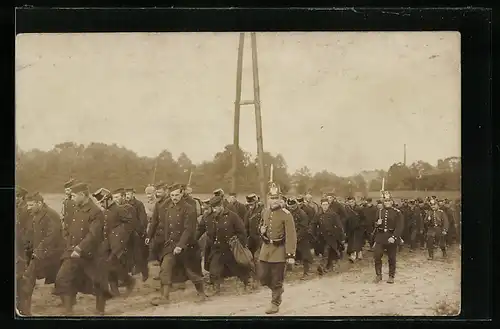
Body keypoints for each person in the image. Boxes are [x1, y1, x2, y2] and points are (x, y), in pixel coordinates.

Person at [53, 183, 112, 315]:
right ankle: (69, 311)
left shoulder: (96, 212)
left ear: (82, 195)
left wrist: (80, 248)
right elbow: (71, 230)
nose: (71, 198)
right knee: (63, 278)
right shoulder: (77, 208)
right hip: (73, 251)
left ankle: (100, 311)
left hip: (92, 253)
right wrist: (69, 245)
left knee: (98, 282)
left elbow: (94, 234)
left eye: (74, 195)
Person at [146, 183, 207, 305]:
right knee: (165, 268)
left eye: (177, 195)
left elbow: (188, 230)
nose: (174, 197)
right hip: (171, 245)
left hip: (186, 246)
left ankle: (201, 293)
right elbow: (166, 227)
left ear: (182, 194)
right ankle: (165, 297)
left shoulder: (189, 208)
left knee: (190, 272)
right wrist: (161, 239)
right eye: (172, 195)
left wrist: (180, 245)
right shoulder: (169, 208)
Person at [18, 192, 65, 315]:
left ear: (39, 203)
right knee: (29, 279)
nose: (28, 208)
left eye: (31, 205)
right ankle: (25, 310)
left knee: (60, 279)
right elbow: (30, 232)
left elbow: (52, 236)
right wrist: (26, 246)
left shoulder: (51, 215)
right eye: (28, 205)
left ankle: (68, 305)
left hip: (52, 253)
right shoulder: (34, 214)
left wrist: (39, 250)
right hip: (39, 252)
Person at [195, 195, 251, 294]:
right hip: (216, 248)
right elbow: (200, 230)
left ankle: (248, 284)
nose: (215, 210)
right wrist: (194, 240)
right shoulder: (208, 217)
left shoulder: (232, 216)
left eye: (217, 207)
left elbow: (241, 231)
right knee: (214, 269)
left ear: (221, 206)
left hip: (230, 248)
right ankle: (216, 288)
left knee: (238, 267)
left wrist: (241, 245)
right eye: (213, 207)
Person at [258, 184, 297, 314]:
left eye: (276, 198)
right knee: (262, 276)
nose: (273, 200)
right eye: (271, 197)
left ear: (280, 198)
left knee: (276, 279)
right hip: (266, 249)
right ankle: (278, 289)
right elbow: (263, 226)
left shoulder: (286, 214)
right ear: (268, 198)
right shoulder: (265, 211)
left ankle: (275, 303)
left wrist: (290, 255)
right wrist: (261, 230)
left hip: (279, 250)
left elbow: (291, 236)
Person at [372, 192, 404, 284]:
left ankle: (391, 276)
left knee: (392, 257)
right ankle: (378, 275)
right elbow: (374, 224)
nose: (387, 202)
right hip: (380, 236)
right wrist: (377, 224)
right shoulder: (379, 211)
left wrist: (394, 237)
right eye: (385, 201)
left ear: (392, 201)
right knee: (377, 255)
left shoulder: (397, 212)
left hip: (391, 236)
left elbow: (400, 226)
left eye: (389, 201)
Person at [315, 198, 345, 274]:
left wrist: (341, 237)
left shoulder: (333, 214)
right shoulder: (318, 214)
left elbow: (339, 226)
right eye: (323, 205)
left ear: (328, 205)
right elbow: (313, 224)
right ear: (321, 205)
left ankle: (322, 266)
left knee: (327, 251)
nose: (325, 206)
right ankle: (329, 266)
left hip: (331, 237)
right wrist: (312, 232)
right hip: (321, 237)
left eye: (326, 205)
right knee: (327, 252)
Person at [16, 186, 32, 315]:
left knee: (22, 278)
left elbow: (27, 229)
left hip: (22, 247)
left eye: (17, 196)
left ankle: (25, 309)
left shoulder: (25, 210)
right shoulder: (18, 209)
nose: (15, 198)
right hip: (19, 244)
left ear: (21, 198)